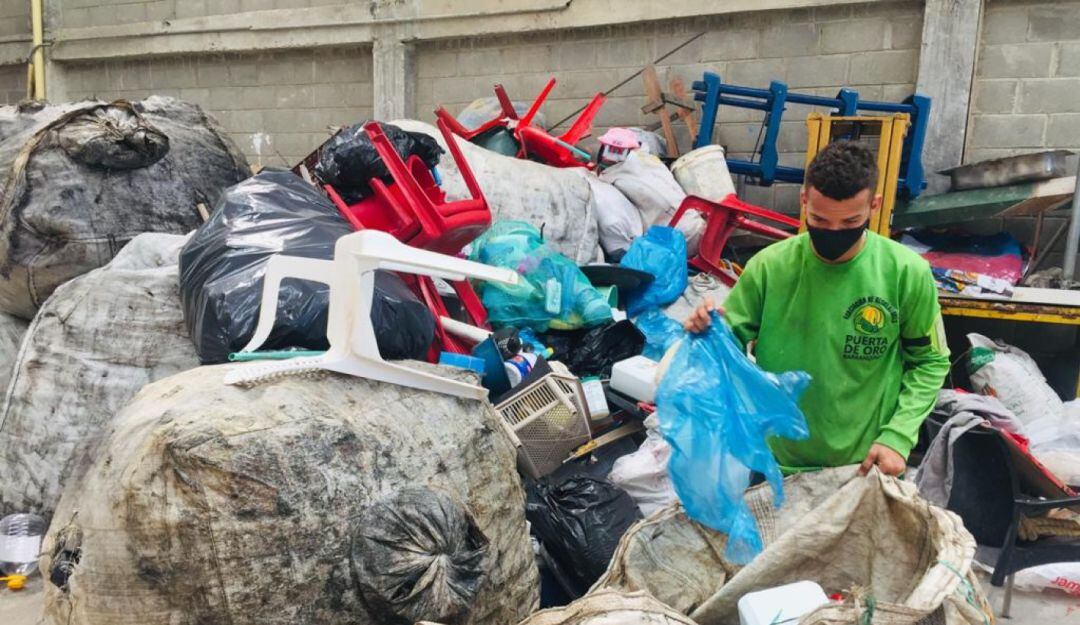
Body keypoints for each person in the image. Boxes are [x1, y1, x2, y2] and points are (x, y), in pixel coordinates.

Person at [684, 141, 950, 476]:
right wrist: (707, 333)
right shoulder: (769, 268)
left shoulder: (906, 273)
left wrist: (898, 436)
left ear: (874, 205)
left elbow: (929, 362)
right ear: (803, 201)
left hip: (863, 467)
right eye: (819, 220)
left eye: (850, 221)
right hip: (775, 465)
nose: (833, 233)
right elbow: (726, 346)